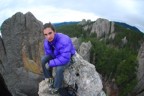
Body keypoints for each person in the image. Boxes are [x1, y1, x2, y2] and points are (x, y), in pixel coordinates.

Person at [41, 22, 76, 94]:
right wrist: (49, 62)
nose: (48, 36)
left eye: (50, 33)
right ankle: (49, 78)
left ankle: (57, 87)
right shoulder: (47, 42)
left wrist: (51, 63)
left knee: (59, 68)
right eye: (46, 34)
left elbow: (64, 58)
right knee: (43, 60)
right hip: (57, 55)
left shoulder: (64, 40)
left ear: (54, 32)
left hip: (68, 57)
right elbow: (48, 53)